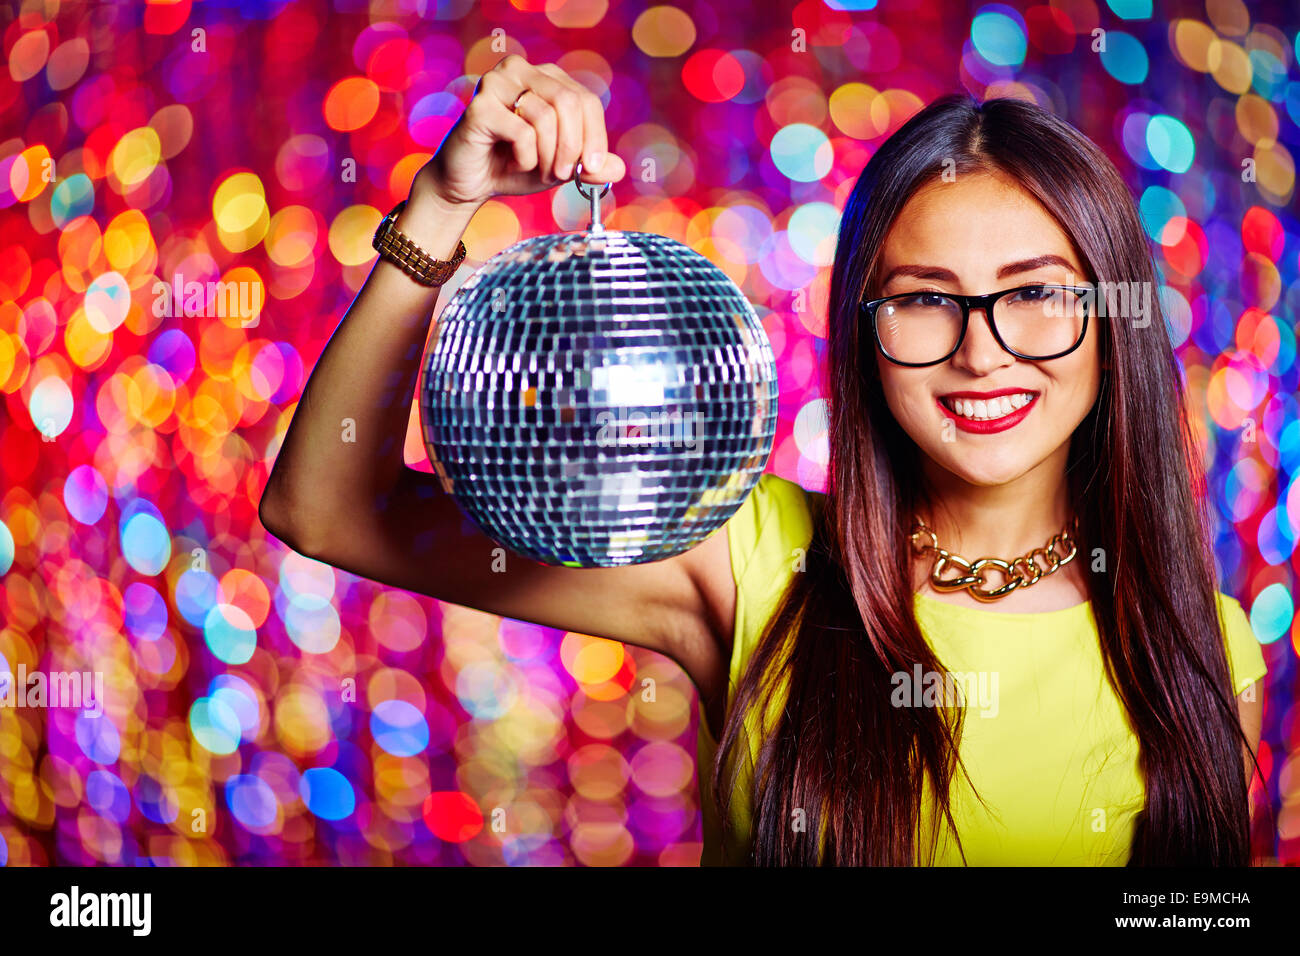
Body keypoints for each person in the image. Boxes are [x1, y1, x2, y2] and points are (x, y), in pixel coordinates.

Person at [259, 54, 1267, 866]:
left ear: (1110, 321)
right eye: (923, 296)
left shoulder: (1204, 649)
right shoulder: (749, 555)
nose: (981, 348)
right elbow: (326, 506)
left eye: (1036, 292)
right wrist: (444, 201)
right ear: (862, 332)